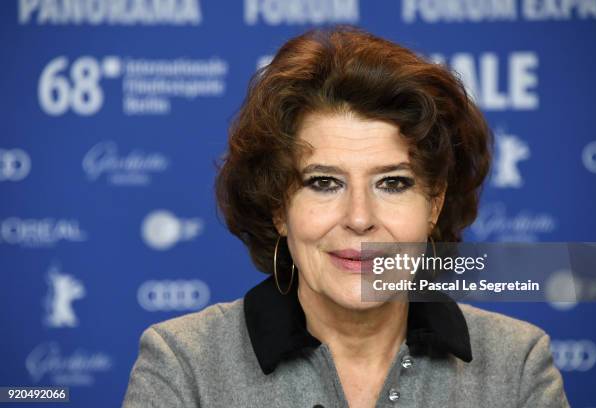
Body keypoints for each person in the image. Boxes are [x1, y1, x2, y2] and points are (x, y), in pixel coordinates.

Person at [122, 26, 569, 408]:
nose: (359, 218)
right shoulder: (184, 365)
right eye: (324, 182)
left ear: (433, 205)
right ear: (279, 207)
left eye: (393, 183)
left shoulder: (518, 364)